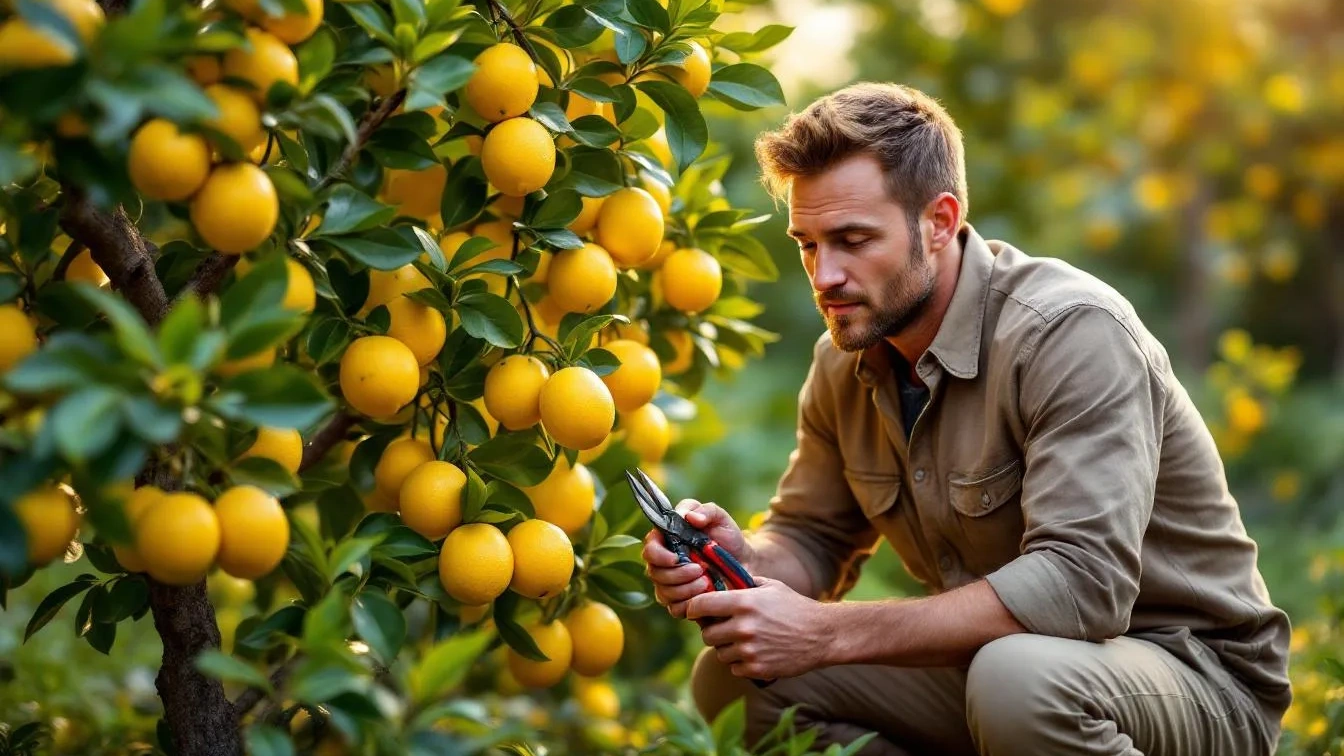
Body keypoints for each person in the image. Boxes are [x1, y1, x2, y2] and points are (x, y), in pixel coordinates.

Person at [640, 82, 1292, 756]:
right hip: (1003, 669)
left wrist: (829, 633)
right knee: (740, 679)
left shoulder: (1069, 334)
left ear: (940, 221)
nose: (824, 275)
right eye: (807, 244)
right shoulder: (847, 358)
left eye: (853, 240)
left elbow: (1081, 588)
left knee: (1018, 682)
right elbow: (812, 539)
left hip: (1192, 680)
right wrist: (744, 560)